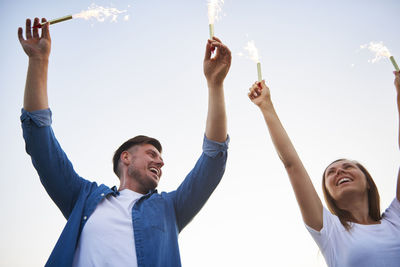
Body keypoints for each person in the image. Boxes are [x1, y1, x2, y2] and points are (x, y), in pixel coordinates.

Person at [18, 18, 231, 267]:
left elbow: (213, 160)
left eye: (160, 157)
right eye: (152, 154)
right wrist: (38, 61)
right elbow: (41, 144)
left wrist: (215, 83)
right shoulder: (82, 197)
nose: (161, 161)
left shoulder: (170, 208)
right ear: (126, 157)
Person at [247, 72, 400, 266]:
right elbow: (292, 165)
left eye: (348, 167)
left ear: (367, 182)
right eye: (331, 173)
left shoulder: (396, 218)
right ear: (328, 193)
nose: (339, 172)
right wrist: (266, 107)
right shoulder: (330, 231)